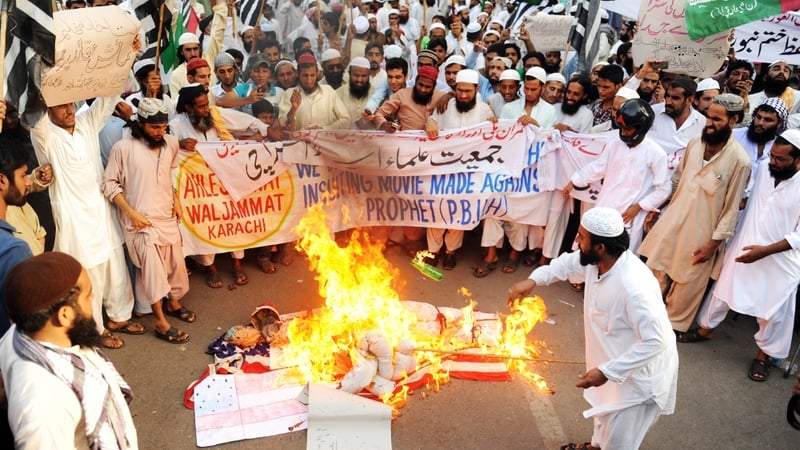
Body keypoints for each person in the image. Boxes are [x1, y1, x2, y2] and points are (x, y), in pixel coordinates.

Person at [506, 207, 678, 450]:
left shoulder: (633, 287)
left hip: (637, 380)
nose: (577, 241)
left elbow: (655, 342)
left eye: (581, 237)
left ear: (600, 247)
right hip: (611, 364)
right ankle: (595, 446)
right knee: (603, 413)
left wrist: (607, 371)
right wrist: (533, 280)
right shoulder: (597, 261)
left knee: (619, 440)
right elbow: (563, 266)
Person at [687, 130, 800, 382]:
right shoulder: (763, 171)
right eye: (772, 157)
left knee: (775, 312)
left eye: (780, 160)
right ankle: (705, 329)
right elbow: (743, 193)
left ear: (798, 161)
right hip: (744, 245)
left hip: (780, 261)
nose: (773, 162)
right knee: (723, 292)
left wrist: (764, 252)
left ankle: (764, 356)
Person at [639, 94, 752, 334]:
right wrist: (659, 208)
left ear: (734, 120)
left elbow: (732, 208)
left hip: (702, 234)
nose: (709, 123)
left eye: (716, 120)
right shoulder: (695, 143)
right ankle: (643, 323)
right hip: (673, 221)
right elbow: (678, 178)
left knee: (686, 285)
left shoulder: (740, 161)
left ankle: (669, 333)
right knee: (655, 274)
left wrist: (712, 245)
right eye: (709, 117)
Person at [0, 252, 138, 448]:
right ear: (65, 315)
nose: (93, 298)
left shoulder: (19, 333)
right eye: (88, 294)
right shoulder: (45, 404)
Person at [102, 98, 193, 344]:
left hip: (166, 216)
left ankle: (173, 303)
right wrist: (131, 212)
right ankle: (161, 322)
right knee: (152, 271)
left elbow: (170, 173)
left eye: (163, 127)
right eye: (154, 127)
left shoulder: (171, 144)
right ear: (140, 124)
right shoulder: (123, 148)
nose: (159, 132)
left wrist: (176, 200)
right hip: (139, 223)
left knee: (175, 266)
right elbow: (109, 185)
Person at [565, 99, 670, 254]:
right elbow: (598, 167)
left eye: (628, 129)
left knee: (617, 257)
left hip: (628, 214)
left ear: (641, 128)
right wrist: (575, 181)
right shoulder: (615, 144)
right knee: (590, 248)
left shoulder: (656, 153)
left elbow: (664, 189)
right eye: (621, 128)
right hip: (605, 204)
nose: (624, 133)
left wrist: (639, 207)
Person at [425, 69, 494, 270]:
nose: (463, 95)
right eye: (459, 90)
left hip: (468, 173)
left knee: (459, 210)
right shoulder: (444, 106)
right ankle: (433, 250)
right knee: (436, 209)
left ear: (477, 89)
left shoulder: (485, 111)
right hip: (442, 169)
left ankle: (451, 252)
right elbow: (431, 123)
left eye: (468, 91)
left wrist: (495, 125)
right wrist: (429, 121)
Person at [0, 142, 34, 335]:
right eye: (23, 175)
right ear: (2, 181)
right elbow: (29, 326)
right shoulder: (13, 250)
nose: (28, 182)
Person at [279, 52, 351, 131]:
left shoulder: (329, 91)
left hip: (325, 141)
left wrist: (323, 129)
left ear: (317, 73)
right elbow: (282, 124)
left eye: (312, 75)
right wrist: (293, 109)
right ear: (297, 74)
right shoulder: (290, 94)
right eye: (305, 76)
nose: (309, 80)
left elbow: (346, 121)